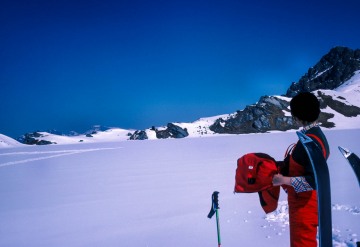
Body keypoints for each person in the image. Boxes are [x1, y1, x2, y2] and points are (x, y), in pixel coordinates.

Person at [272, 92, 330, 247]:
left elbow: (313, 181)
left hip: (304, 206)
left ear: (299, 115)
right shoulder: (314, 135)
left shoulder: (311, 141)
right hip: (304, 203)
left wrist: (283, 180)